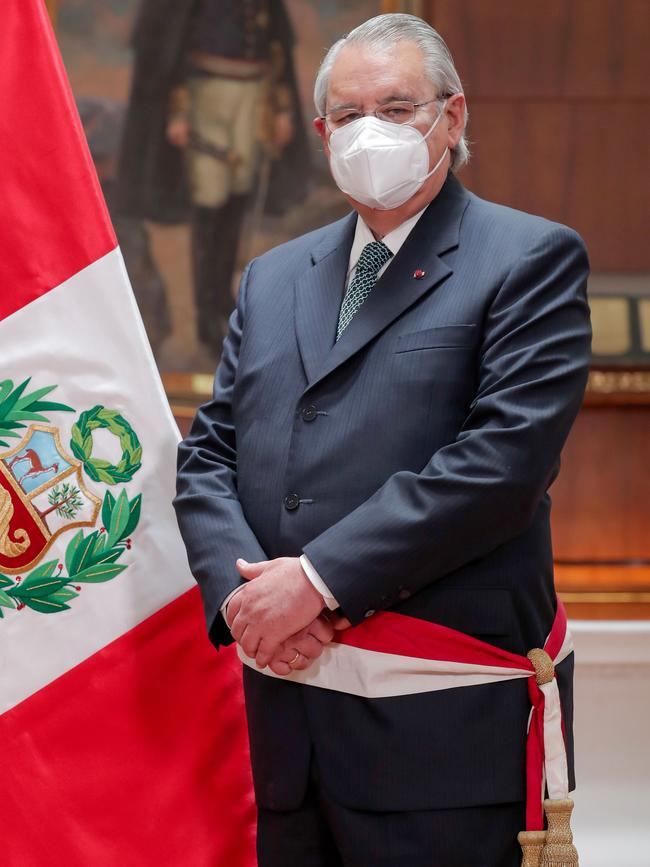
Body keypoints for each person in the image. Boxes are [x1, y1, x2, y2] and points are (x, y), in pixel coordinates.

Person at [173, 13, 591, 867]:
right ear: (321, 132)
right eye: (349, 113)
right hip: (290, 732)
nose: (371, 131)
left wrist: (316, 583)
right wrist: (243, 599)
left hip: (437, 741)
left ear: (453, 117)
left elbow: (498, 466)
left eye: (397, 109)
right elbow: (210, 453)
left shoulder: (529, 259)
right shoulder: (276, 276)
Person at [116, 0, 311, 358]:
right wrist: (176, 112)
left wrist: (282, 109)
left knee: (237, 200)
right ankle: (206, 313)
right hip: (205, 96)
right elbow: (171, 47)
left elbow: (277, 45)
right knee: (209, 200)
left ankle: (223, 299)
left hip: (253, 97)